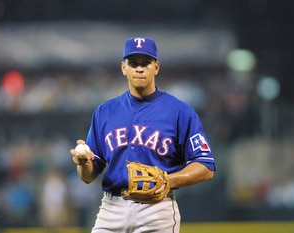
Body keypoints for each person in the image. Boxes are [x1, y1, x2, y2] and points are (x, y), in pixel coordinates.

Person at [70, 37, 216, 233]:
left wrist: (168, 180)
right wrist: (83, 164)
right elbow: (89, 176)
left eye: (145, 63)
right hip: (112, 208)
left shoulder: (180, 111)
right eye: (133, 63)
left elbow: (206, 166)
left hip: (156, 208)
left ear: (156, 67)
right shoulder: (105, 112)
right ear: (124, 68)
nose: (139, 68)